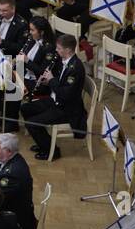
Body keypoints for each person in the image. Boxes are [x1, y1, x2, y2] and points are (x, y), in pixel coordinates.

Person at [21, 33, 86, 161]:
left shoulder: (75, 68)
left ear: (67, 50)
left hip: (66, 108)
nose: (56, 50)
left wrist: (51, 80)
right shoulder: (63, 60)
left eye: (59, 48)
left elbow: (65, 95)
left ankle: (52, 151)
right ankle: (43, 142)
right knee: (25, 109)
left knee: (32, 123)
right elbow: (59, 81)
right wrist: (47, 81)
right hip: (55, 100)